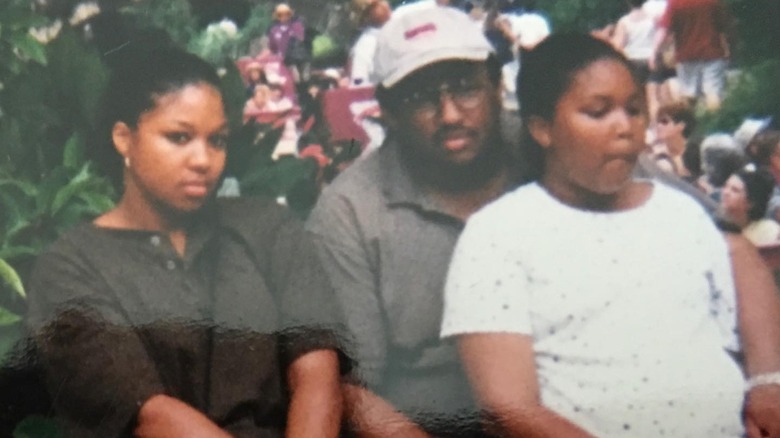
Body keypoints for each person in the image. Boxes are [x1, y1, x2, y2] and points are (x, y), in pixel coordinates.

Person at [441, 33, 780, 437]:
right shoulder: (499, 235)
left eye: (634, 110)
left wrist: (767, 384)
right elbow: (508, 407)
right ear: (542, 129)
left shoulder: (679, 213)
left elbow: (736, 293)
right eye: (598, 112)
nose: (624, 128)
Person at [25, 47, 345, 438]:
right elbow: (153, 416)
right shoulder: (70, 267)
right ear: (124, 139)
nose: (203, 160)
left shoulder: (266, 227)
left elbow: (316, 370)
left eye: (218, 141)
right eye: (179, 137)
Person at [306, 7, 525, 436]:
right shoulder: (350, 212)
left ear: (497, 86)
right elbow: (351, 389)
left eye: (466, 89)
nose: (450, 115)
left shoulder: (546, 152)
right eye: (422, 97)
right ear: (386, 111)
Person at [650, 0, 733, 111]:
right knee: (713, 93)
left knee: (688, 95)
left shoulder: (675, 3)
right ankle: (714, 122)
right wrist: (729, 46)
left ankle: (689, 123)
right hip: (713, 52)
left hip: (686, 55)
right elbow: (724, 26)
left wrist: (654, 51)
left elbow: (664, 30)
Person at [721, 168, 780, 246]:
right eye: (725, 186)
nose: (726, 192)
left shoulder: (768, 231)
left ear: (750, 203)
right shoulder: (717, 226)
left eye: (735, 190)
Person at [348, 0, 392, 87]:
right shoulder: (365, 46)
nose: (383, 7)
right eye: (375, 6)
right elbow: (358, 83)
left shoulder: (401, 27)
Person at [650, 101, 696, 177]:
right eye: (657, 122)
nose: (658, 126)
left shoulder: (696, 154)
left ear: (681, 125)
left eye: (664, 121)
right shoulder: (658, 159)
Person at [267, 3, 308, 82]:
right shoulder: (274, 30)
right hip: (281, 60)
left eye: (286, 14)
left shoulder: (297, 26)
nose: (284, 16)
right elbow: (272, 48)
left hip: (296, 60)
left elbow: (301, 40)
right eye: (280, 15)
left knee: (298, 80)